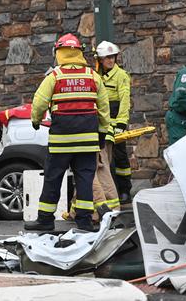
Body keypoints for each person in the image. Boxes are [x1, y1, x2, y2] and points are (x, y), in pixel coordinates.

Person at [24, 33, 111, 232]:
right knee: (85, 180)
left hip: (61, 140)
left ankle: (45, 220)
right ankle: (85, 221)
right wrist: (103, 132)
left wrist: (36, 121)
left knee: (53, 178)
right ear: (79, 53)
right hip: (88, 140)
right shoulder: (92, 76)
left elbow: (39, 103)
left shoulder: (54, 76)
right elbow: (104, 107)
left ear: (59, 53)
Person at [95, 41, 132, 204]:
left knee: (120, 156)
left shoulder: (121, 76)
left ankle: (125, 191)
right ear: (100, 60)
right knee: (105, 157)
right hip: (102, 121)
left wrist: (121, 124)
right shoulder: (97, 76)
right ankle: (110, 190)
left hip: (117, 121)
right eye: (106, 58)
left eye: (112, 57)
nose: (110, 60)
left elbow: (124, 100)